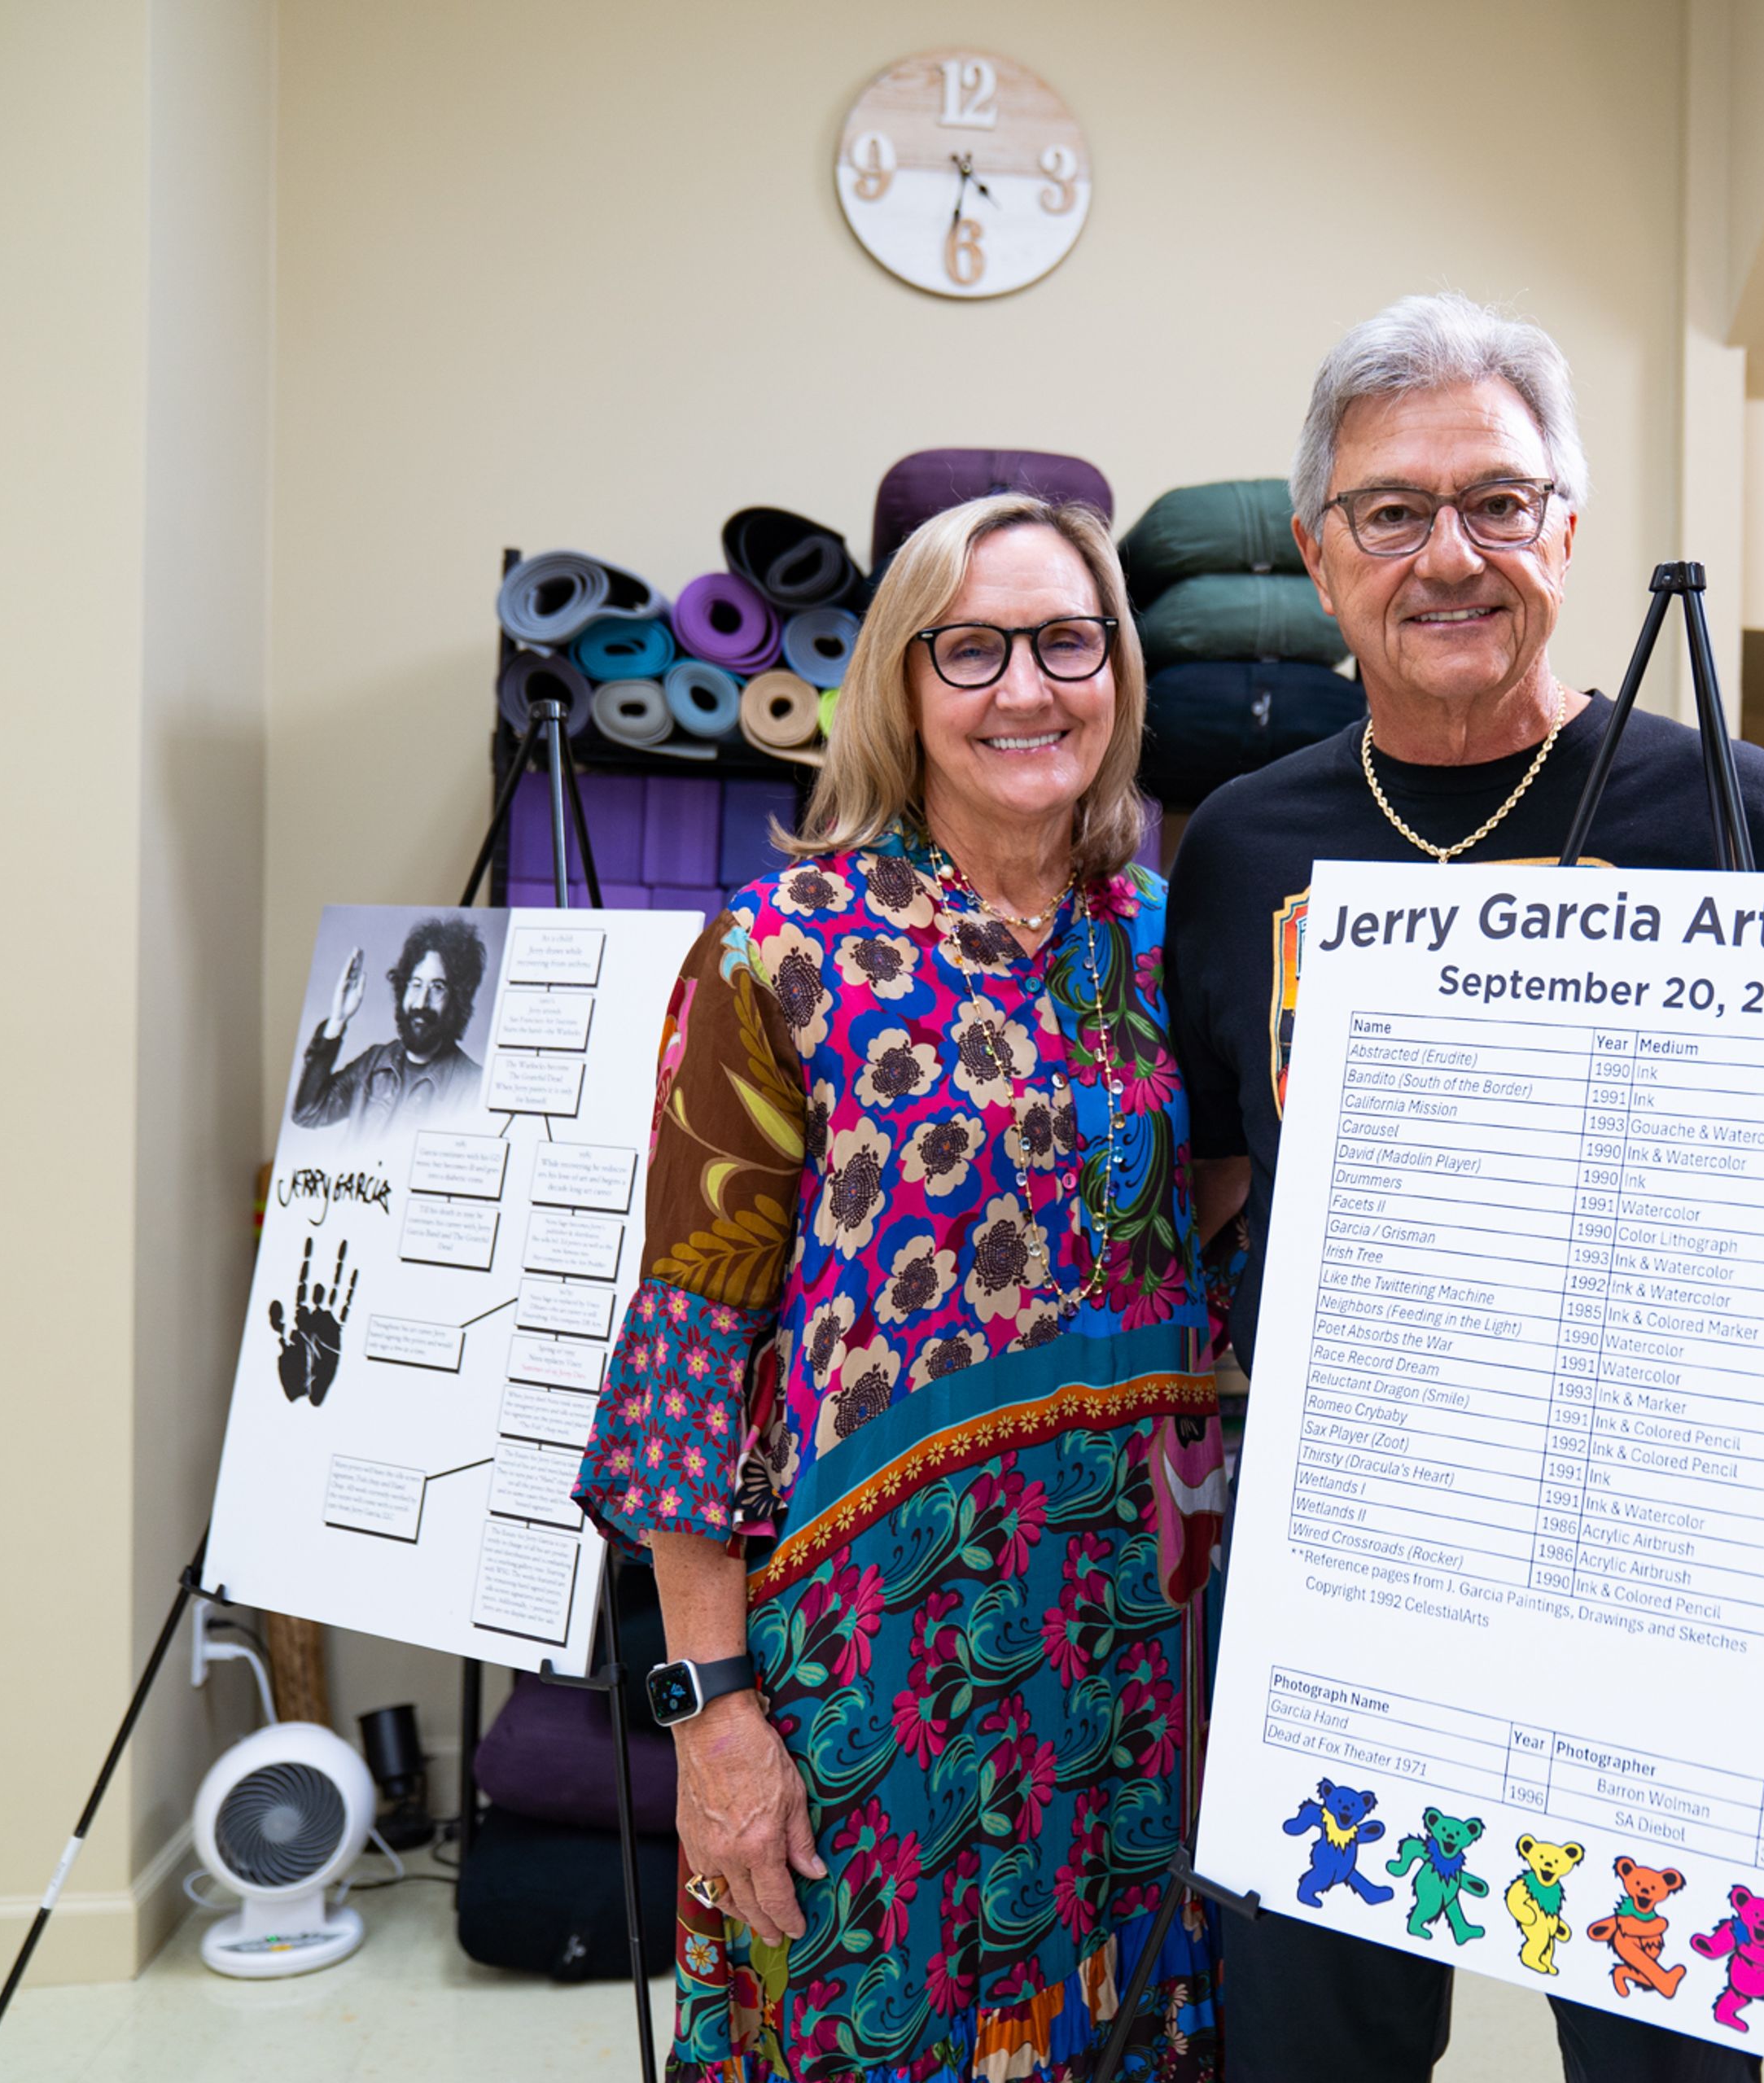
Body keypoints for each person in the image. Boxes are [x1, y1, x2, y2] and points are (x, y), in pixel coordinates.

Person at [1166, 291, 1764, 2083]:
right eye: (1392, 511)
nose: (1447, 554)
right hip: (1345, 1583)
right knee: (1312, 2049)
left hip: (1654, 1598)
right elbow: (1221, 1167)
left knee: (1666, 2063)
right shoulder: (1242, 843)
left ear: (1570, 526)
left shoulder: (1736, 813)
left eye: (1499, 500)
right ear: (1321, 557)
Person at [571, 493, 1222, 2082]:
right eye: (973, 647)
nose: (1028, 687)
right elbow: (686, 1347)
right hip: (871, 1668)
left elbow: (1209, 1213)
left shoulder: (1171, 940)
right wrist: (711, 1709)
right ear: (901, 683)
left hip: (1137, 1663)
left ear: (1119, 673)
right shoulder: (780, 950)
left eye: (1069, 641)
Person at [290, 914, 488, 1138]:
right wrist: (338, 1019)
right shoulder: (374, 1062)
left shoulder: (473, 1087)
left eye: (438, 987)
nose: (421, 1002)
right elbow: (307, 1114)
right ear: (402, 989)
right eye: (416, 984)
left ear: (457, 999)